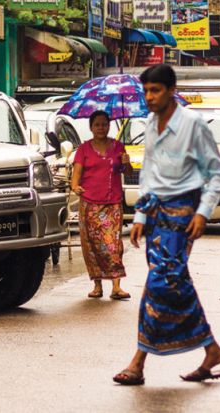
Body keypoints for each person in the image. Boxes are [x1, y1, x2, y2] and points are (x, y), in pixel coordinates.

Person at [112, 64, 220, 386]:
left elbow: (217, 173)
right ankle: (211, 349)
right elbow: (148, 172)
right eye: (146, 91)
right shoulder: (149, 124)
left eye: (156, 90)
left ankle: (138, 362)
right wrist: (139, 216)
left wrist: (203, 212)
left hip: (182, 215)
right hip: (156, 216)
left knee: (163, 281)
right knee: (167, 283)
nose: (149, 97)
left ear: (171, 90)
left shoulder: (193, 124)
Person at [71, 110, 133, 299]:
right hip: (90, 204)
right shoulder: (83, 150)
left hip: (112, 203)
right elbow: (76, 176)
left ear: (109, 126)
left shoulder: (118, 147)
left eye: (104, 124)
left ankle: (116, 286)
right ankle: (97, 286)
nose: (101, 128)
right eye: (97, 125)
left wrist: (126, 163)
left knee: (112, 244)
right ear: (91, 127)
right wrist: (75, 187)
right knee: (92, 246)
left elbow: (127, 172)